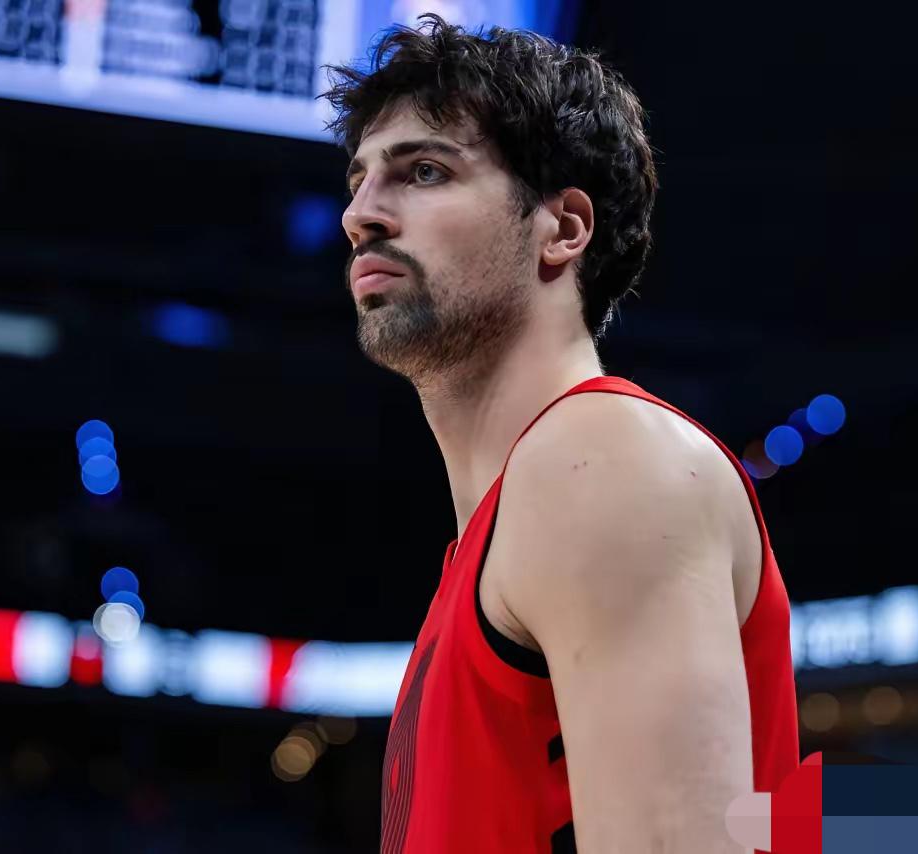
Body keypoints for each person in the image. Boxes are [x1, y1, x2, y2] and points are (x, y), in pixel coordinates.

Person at [321, 14, 798, 853]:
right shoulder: (506, 526)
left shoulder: (602, 460)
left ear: (564, 228)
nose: (361, 215)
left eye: (424, 171)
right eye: (359, 180)